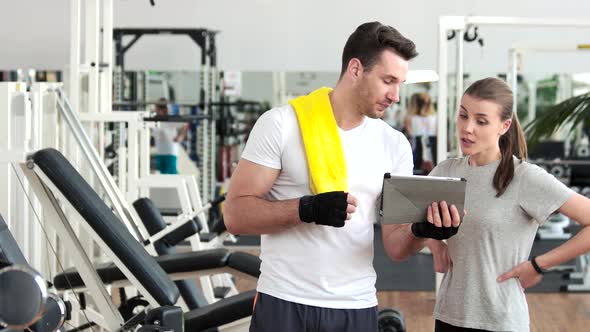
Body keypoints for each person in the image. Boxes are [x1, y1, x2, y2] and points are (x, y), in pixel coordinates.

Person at [224, 21, 462, 332]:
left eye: (401, 83)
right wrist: (306, 209)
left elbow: (395, 246)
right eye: (388, 80)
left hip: (355, 304)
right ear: (355, 69)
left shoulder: (394, 144)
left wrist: (422, 230)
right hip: (284, 299)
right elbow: (235, 216)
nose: (396, 96)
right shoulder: (281, 125)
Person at [426, 77, 590, 331]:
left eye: (481, 121)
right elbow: (411, 215)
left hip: (500, 320)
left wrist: (539, 264)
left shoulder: (524, 177)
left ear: (504, 126)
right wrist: (436, 245)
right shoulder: (444, 171)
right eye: (463, 115)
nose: (467, 128)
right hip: (449, 316)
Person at [151, 98, 189, 174]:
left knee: (171, 175)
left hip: (170, 152)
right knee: (163, 175)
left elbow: (185, 124)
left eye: (157, 109)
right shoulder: (155, 119)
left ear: (163, 109)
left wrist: (179, 137)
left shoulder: (170, 119)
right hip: (160, 152)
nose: (156, 110)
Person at [403, 92, 437, 173]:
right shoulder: (435, 117)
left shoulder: (410, 118)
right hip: (427, 148)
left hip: (420, 148)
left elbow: (410, 134)